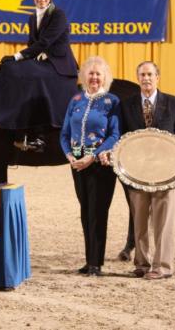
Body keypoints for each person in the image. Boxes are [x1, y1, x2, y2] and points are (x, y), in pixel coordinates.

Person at [119, 61, 175, 279]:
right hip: (137, 173)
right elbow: (121, 138)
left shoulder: (174, 103)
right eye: (142, 75)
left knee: (163, 221)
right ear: (138, 78)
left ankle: (163, 266)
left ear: (158, 77)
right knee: (139, 221)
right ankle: (142, 264)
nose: (146, 78)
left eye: (150, 74)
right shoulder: (126, 105)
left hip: (166, 173)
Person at [0, 0, 78, 152]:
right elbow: (33, 45)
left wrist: (17, 56)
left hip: (60, 65)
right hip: (42, 62)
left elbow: (44, 43)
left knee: (29, 75)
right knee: (12, 70)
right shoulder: (32, 18)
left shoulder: (58, 14)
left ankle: (39, 134)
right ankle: (10, 123)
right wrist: (18, 60)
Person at [60, 56, 121, 276]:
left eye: (98, 74)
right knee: (85, 211)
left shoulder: (112, 101)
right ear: (84, 76)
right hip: (77, 163)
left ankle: (97, 262)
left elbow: (115, 134)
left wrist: (93, 156)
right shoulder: (75, 99)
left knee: (98, 212)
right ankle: (89, 260)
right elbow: (65, 133)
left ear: (105, 77)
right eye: (91, 73)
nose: (94, 77)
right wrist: (69, 155)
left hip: (100, 164)